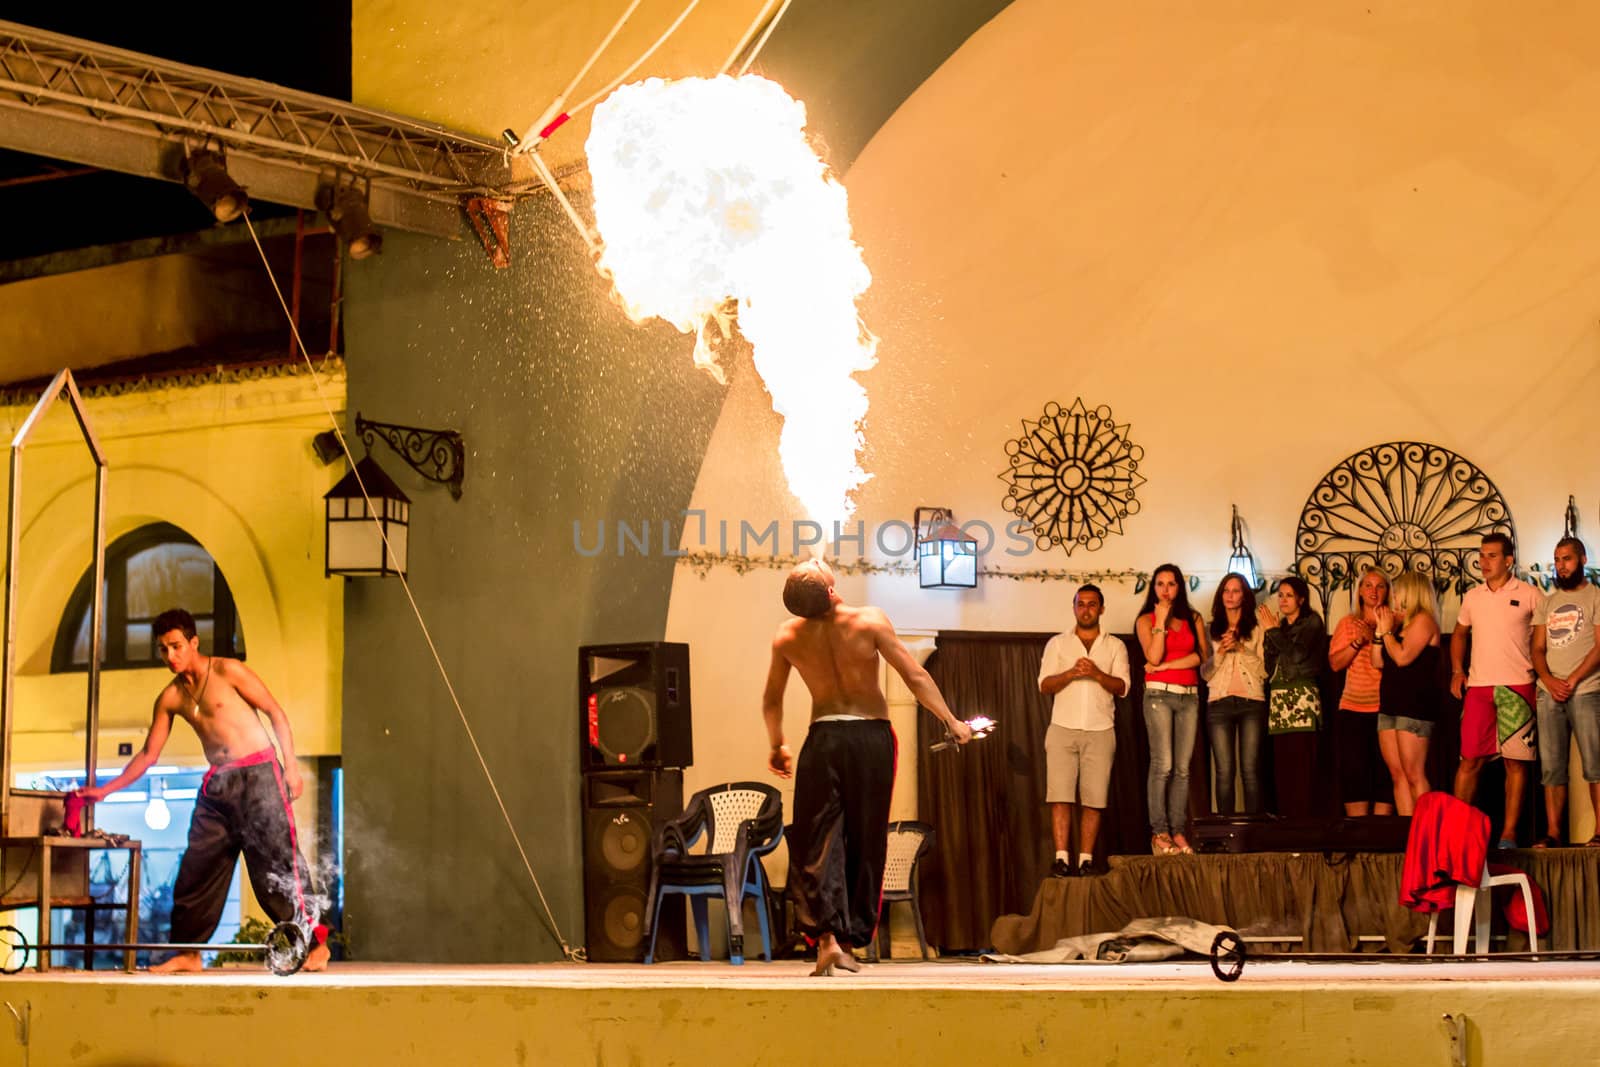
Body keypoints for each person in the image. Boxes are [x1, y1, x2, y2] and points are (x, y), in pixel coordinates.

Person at [71, 608, 329, 973]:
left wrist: (291, 766)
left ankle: (317, 944)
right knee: (195, 869)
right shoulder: (170, 697)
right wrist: (105, 790)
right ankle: (190, 952)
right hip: (217, 786)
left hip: (258, 776)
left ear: (194, 642)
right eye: (163, 649)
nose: (171, 656)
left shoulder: (228, 671)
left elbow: (275, 712)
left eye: (176, 646)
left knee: (278, 866)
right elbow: (148, 754)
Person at [762, 558, 971, 976]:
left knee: (818, 841)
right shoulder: (870, 620)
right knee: (864, 837)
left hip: (822, 741)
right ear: (832, 590)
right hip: (870, 739)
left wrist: (778, 744)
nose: (814, 557)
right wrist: (951, 720)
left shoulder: (787, 636)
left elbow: (772, 699)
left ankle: (827, 940)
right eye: (812, 566)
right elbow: (914, 675)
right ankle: (850, 938)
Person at [1452, 533, 1544, 848]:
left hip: (1518, 683)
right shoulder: (1472, 596)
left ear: (1508, 560)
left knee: (1515, 762)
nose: (1484, 561)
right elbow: (1460, 633)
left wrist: (1542, 673)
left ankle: (1509, 834)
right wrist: (1456, 670)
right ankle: (1457, 831)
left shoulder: (1531, 594)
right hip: (1479, 686)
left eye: (1492, 555)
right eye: (1482, 555)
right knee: (1469, 761)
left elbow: (1544, 639)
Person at [1038, 584, 1130, 876]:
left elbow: (1124, 687)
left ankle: (1086, 859)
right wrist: (1070, 673)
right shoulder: (1057, 644)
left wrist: (1097, 674)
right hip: (1062, 727)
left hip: (1101, 729)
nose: (1086, 609)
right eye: (1081, 604)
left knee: (1094, 798)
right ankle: (1062, 858)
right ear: (1074, 607)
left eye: (1092, 604)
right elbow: (1044, 685)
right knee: (1060, 795)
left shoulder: (1115, 645)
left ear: (1101, 609)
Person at [1135, 564, 1209, 855]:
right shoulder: (1145, 620)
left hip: (1189, 696)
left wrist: (1166, 666)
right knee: (1162, 765)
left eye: (1172, 584)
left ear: (1180, 588)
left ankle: (1179, 831)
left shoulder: (1194, 618)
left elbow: (1201, 657)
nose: (1166, 590)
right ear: (1153, 588)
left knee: (1182, 770)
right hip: (1159, 696)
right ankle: (1160, 832)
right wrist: (1161, 621)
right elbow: (1152, 654)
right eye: (1160, 584)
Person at [1532, 537, 1600, 848]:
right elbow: (1537, 648)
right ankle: (1554, 833)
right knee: (1551, 766)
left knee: (1595, 762)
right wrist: (1549, 679)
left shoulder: (1596, 597)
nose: (1561, 565)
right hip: (1549, 691)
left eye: (1567, 559)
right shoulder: (1547, 602)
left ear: (1583, 559)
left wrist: (1572, 679)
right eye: (1557, 559)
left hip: (1585, 689)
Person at [1372, 571, 1442, 815]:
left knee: (1414, 773)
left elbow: (1402, 657)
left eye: (1398, 590)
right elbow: (1378, 661)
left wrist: (1388, 632)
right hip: (1391, 703)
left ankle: (1427, 832)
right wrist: (1380, 632)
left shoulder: (1424, 620)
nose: (1394, 596)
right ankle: (1407, 832)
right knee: (1398, 774)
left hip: (1414, 706)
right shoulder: (1401, 623)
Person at [1328, 569, 1395, 816]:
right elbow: (1335, 664)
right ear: (1360, 591)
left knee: (1385, 770)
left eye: (1379, 586)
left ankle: (1381, 832)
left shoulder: (1396, 620)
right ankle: (1358, 833)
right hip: (1353, 707)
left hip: (1386, 706)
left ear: (1388, 591)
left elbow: (1399, 660)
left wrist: (1376, 637)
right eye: (1368, 585)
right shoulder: (1348, 623)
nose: (1373, 591)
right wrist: (1358, 641)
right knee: (1355, 770)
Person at [1260, 576, 1326, 818]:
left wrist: (1273, 631)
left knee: (1302, 766)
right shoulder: (1280, 627)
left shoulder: (1311, 622)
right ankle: (1287, 823)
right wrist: (1272, 633)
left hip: (1301, 697)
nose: (1283, 600)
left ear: (1301, 598)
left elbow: (1297, 655)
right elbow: (1269, 666)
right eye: (1280, 595)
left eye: (1289, 595)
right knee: (1283, 766)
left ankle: (1305, 824)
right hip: (1279, 700)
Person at [1201, 573, 1267, 814]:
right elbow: (1205, 674)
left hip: (1252, 701)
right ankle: (1226, 830)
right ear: (1220, 595)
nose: (1230, 596)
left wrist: (1240, 648)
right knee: (1224, 770)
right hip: (1219, 703)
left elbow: (1264, 671)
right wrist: (1220, 654)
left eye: (1236, 591)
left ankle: (1253, 831)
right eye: (1226, 591)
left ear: (1245, 595)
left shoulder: (1257, 629)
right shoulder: (1210, 630)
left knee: (1250, 770)